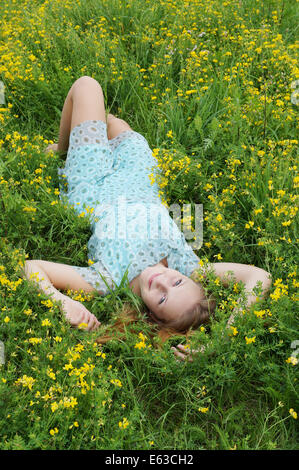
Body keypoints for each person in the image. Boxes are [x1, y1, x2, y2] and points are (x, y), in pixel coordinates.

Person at [23, 76, 272, 359]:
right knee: (115, 124)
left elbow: (32, 268)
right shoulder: (192, 267)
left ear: (152, 316)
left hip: (93, 183)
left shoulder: (108, 280)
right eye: (177, 282)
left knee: (88, 86)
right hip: (138, 176)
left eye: (162, 298)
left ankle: (65, 149)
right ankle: (87, 136)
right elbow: (259, 276)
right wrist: (224, 339)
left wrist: (61, 301)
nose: (161, 280)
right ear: (189, 279)